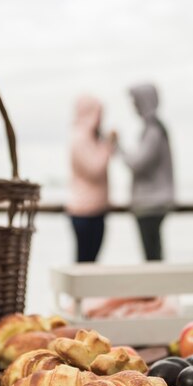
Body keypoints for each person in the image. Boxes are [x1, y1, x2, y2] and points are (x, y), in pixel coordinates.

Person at [119, 82, 174, 261]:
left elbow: (138, 163)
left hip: (151, 204)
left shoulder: (153, 131)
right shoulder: (154, 129)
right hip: (151, 203)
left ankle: (156, 289)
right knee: (153, 256)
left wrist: (117, 149)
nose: (134, 107)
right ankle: (157, 288)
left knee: (152, 258)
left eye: (136, 102)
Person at [67, 95, 116, 262]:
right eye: (98, 113)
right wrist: (108, 145)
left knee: (91, 262)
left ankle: (85, 289)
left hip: (96, 209)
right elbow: (95, 169)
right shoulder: (80, 138)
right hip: (84, 212)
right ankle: (80, 289)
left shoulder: (91, 137)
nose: (101, 118)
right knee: (84, 263)